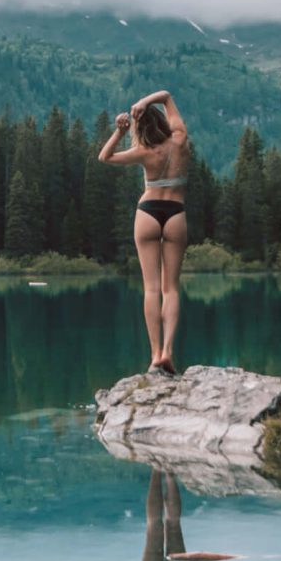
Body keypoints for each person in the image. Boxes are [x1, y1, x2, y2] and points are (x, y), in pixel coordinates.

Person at [96, 87, 190, 374]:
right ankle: (169, 353)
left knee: (150, 288)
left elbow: (105, 157)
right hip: (175, 214)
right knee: (170, 288)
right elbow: (167, 95)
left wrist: (121, 131)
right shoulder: (180, 141)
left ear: (140, 127)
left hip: (147, 212)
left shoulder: (143, 151)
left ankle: (154, 355)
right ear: (162, 122)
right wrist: (145, 101)